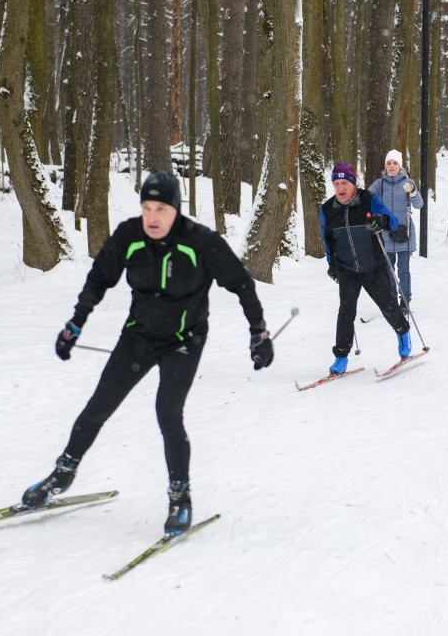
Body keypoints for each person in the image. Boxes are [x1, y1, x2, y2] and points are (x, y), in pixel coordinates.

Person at [22, 171, 273, 535]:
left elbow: (241, 285)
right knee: (98, 406)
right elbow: (98, 279)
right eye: (146, 208)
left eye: (161, 209)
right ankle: (61, 475)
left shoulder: (201, 241)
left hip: (184, 339)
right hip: (138, 335)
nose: (152, 217)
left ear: (176, 210)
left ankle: (180, 497)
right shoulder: (130, 235)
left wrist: (259, 333)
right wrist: (75, 324)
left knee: (167, 413)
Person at [320, 162, 411, 374]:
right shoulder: (327, 209)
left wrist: (381, 220)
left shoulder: (368, 200)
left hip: (373, 265)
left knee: (387, 304)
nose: (340, 188)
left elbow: (393, 221)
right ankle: (341, 357)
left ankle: (403, 334)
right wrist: (331, 264)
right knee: (346, 311)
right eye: (336, 183)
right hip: (346, 268)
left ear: (354, 183)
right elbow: (327, 239)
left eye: (345, 183)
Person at [367, 150, 424, 314]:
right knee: (388, 270)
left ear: (400, 166)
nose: (392, 166)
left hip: (403, 234)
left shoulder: (408, 182)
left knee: (404, 270)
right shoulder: (380, 184)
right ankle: (391, 300)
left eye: (395, 163)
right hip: (385, 234)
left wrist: (413, 192)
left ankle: (405, 301)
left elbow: (419, 204)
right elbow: (367, 198)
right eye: (389, 163)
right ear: (385, 166)